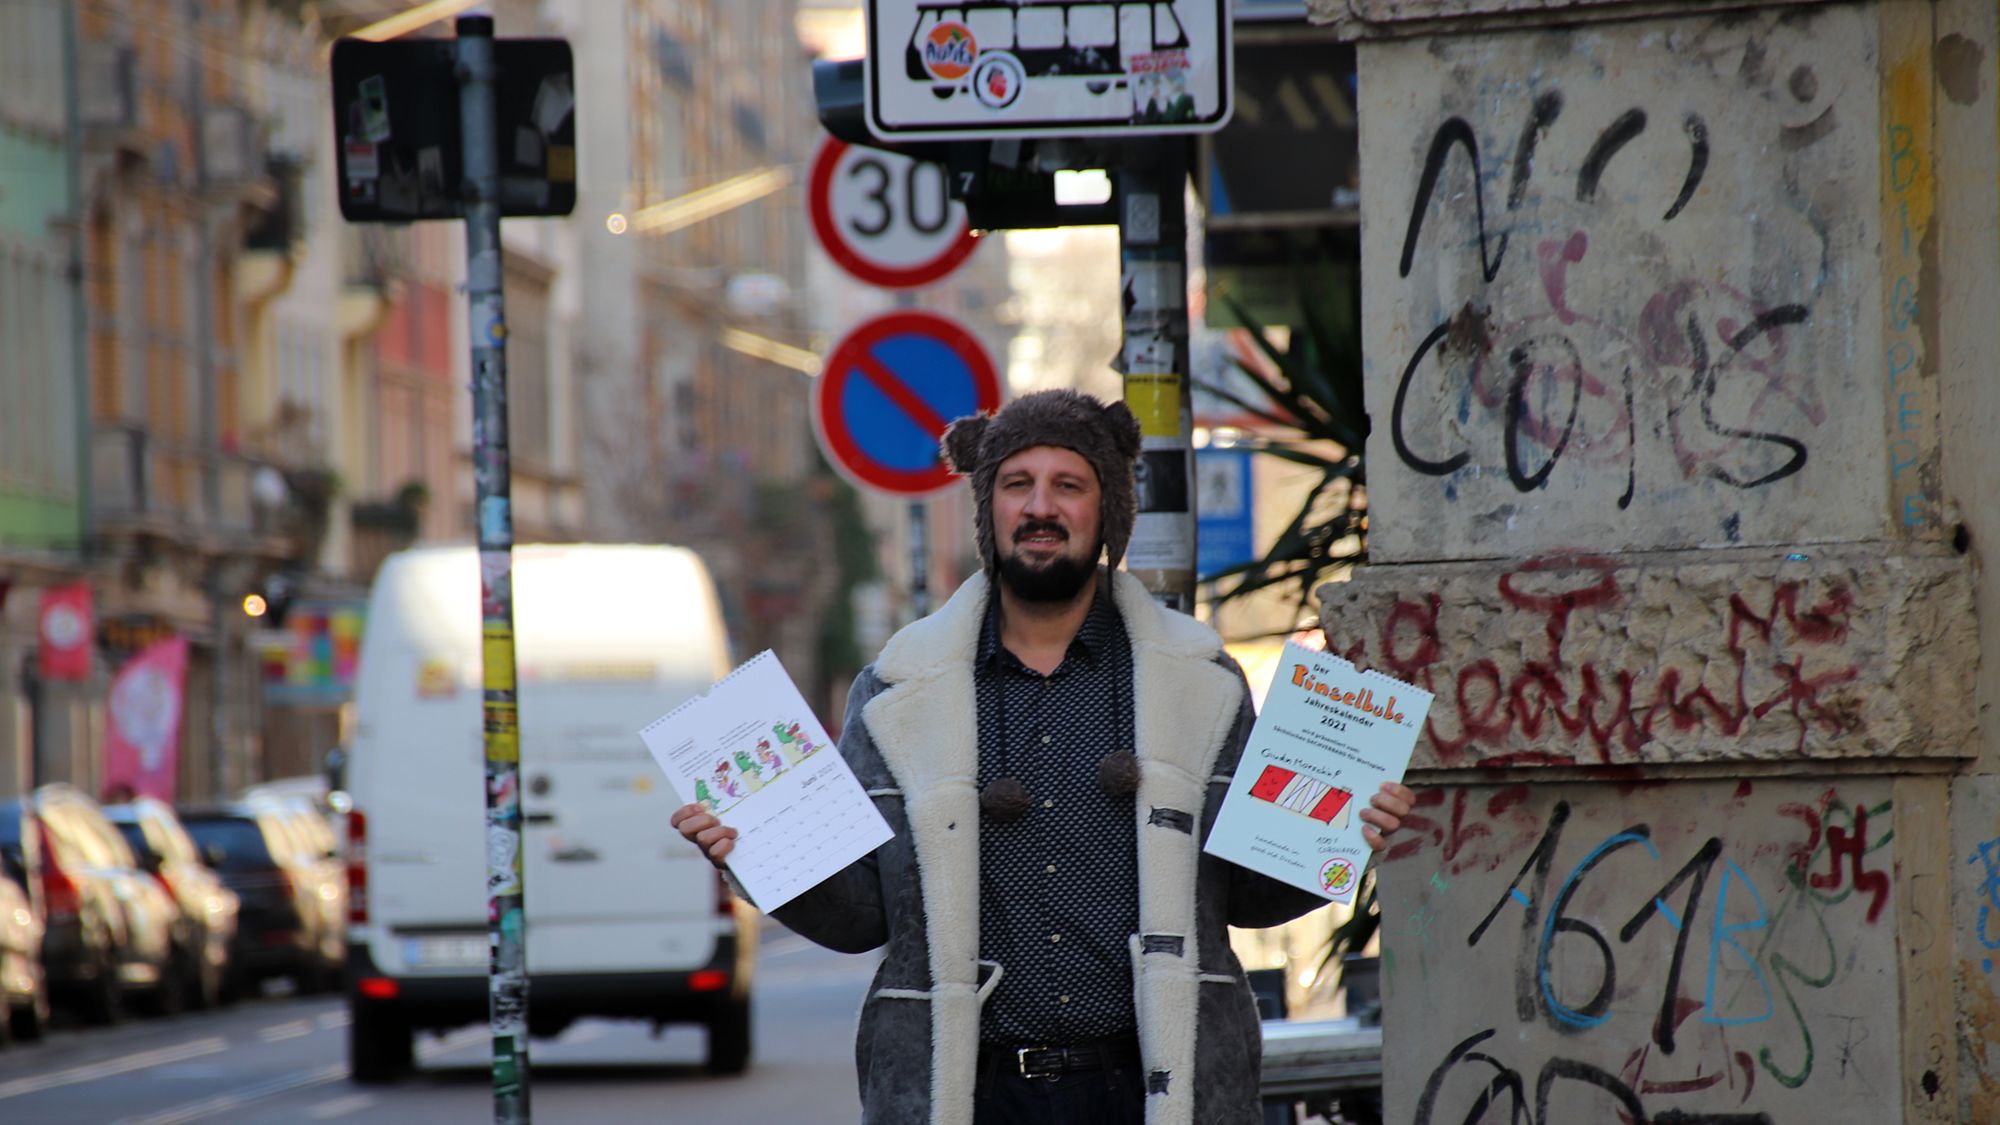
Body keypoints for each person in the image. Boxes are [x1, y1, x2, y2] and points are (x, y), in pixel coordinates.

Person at [673, 389, 1415, 1125]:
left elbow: (1248, 896)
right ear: (988, 508)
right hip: (967, 1093)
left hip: (1156, 1089)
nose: (1040, 508)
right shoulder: (897, 691)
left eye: (1069, 485)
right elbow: (865, 914)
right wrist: (754, 853)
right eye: (1017, 484)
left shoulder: (1200, 682)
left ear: (1108, 511)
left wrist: (1346, 831)